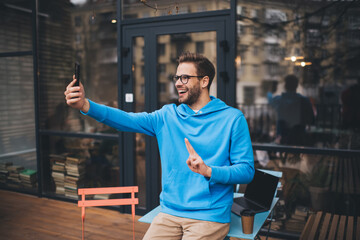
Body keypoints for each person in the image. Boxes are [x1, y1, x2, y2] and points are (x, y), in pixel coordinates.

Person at [64, 52, 254, 240]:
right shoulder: (167, 116)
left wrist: (209, 171)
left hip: (209, 216)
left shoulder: (232, 119)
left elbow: (246, 171)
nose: (178, 83)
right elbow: (126, 119)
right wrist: (85, 105)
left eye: (185, 78)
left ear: (204, 81)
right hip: (169, 212)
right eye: (177, 77)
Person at [267, 74, 314, 146]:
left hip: (283, 137)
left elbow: (270, 99)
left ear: (285, 86)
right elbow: (311, 118)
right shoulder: (304, 101)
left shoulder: (280, 100)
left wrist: (270, 90)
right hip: (299, 137)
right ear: (297, 85)